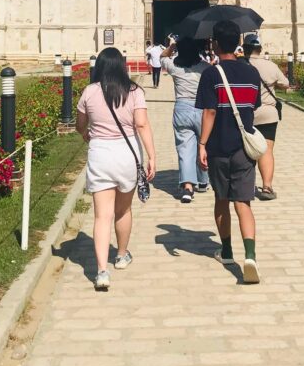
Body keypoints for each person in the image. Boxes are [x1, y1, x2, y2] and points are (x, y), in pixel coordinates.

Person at [76, 47, 157, 291]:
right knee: (123, 210)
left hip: (100, 154)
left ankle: (101, 271)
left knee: (102, 215)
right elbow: (141, 124)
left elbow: (81, 125)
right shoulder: (134, 91)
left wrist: (88, 136)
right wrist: (152, 156)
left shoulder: (89, 92)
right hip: (126, 154)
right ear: (122, 66)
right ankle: (121, 255)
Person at [195, 20, 262, 284]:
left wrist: (201, 144)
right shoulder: (252, 73)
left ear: (214, 44)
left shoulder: (211, 74)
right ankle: (250, 255)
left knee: (222, 199)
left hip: (219, 147)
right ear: (237, 43)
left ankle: (226, 250)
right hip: (244, 148)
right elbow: (252, 106)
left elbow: (209, 111)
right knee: (242, 203)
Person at [160, 37, 210, 202]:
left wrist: (172, 46)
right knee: (203, 144)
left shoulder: (174, 67)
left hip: (182, 109)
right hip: (201, 108)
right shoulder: (204, 67)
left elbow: (162, 57)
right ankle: (203, 181)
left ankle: (188, 187)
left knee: (185, 148)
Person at [242, 33, 290, 201]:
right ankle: (267, 187)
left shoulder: (241, 65)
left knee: (246, 150)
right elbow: (285, 83)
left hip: (245, 113)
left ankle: (244, 186)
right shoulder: (270, 66)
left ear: (245, 48)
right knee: (267, 150)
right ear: (260, 49)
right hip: (268, 113)